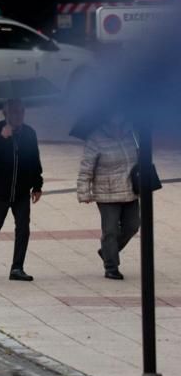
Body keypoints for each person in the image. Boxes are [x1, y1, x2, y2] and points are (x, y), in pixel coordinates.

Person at [0, 99, 43, 281]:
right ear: (6, 114)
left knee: (23, 229)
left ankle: (17, 267)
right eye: (14, 112)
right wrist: (2, 138)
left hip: (21, 190)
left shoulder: (29, 133)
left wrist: (37, 185)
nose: (18, 116)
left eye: (21, 112)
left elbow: (34, 160)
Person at [76, 116, 139, 280]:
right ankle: (111, 267)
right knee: (110, 231)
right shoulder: (95, 138)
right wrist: (84, 192)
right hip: (107, 193)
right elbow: (86, 168)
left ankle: (107, 252)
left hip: (130, 189)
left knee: (132, 226)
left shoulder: (131, 133)